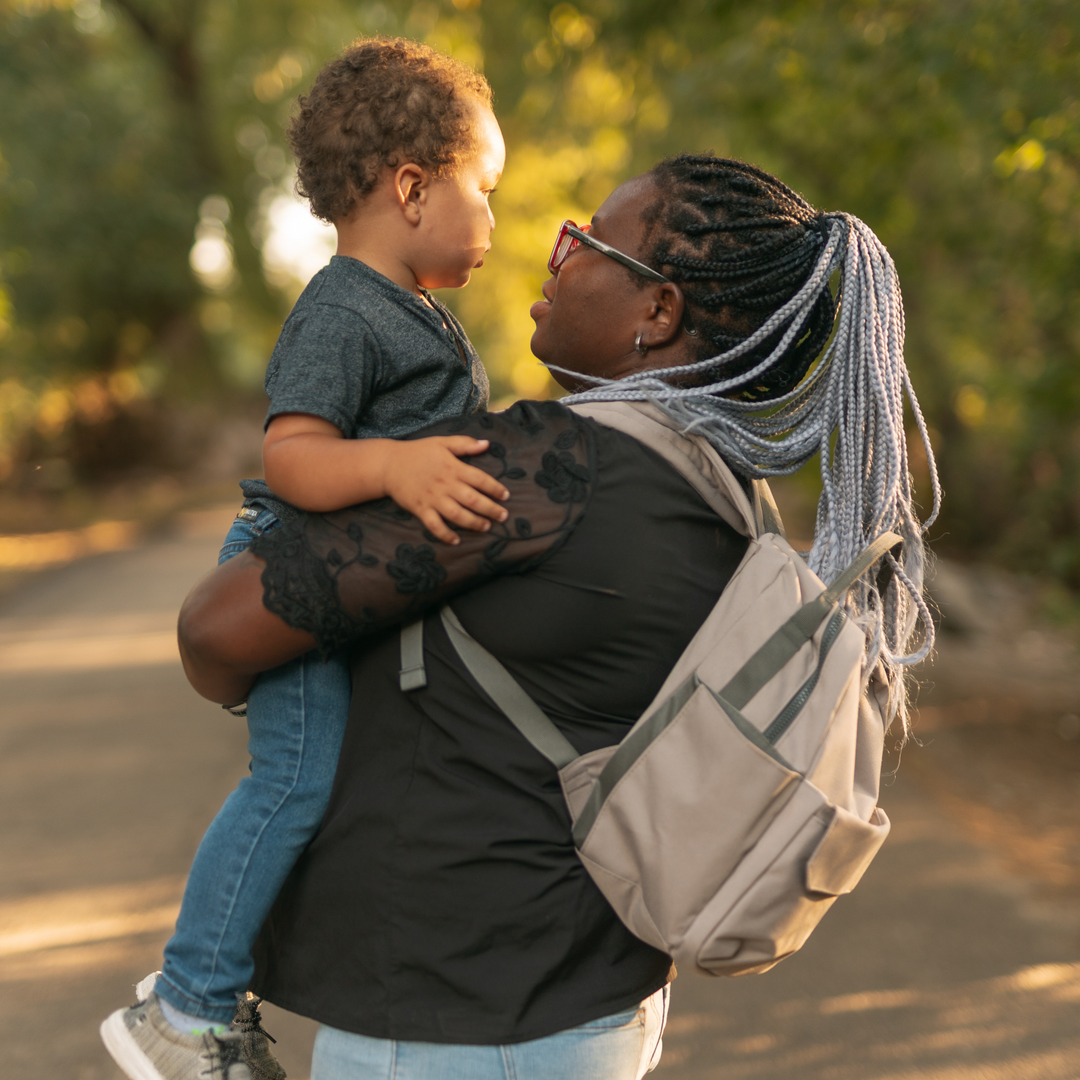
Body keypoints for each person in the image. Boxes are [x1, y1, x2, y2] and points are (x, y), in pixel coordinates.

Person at [172, 156, 938, 1080]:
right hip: (598, 1012)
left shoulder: (545, 469)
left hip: (452, 1025)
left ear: (658, 311)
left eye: (586, 241)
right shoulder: (727, 492)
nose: (555, 252)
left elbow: (216, 628)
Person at [101, 37, 511, 1080]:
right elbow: (292, 456)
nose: (495, 219)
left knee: (330, 787)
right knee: (291, 783)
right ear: (412, 188)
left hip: (349, 582)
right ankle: (185, 1009)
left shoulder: (412, 311)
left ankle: (233, 987)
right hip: (296, 576)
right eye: (486, 190)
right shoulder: (341, 308)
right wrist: (398, 468)